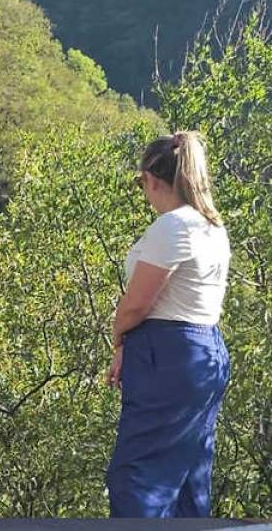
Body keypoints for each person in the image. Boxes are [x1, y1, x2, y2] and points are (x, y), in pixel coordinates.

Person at [105, 131, 231, 518]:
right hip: (205, 350)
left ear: (150, 179)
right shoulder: (212, 226)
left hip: (168, 354)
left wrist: (118, 337)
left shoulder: (172, 226)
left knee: (139, 478)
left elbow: (138, 304)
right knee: (188, 478)